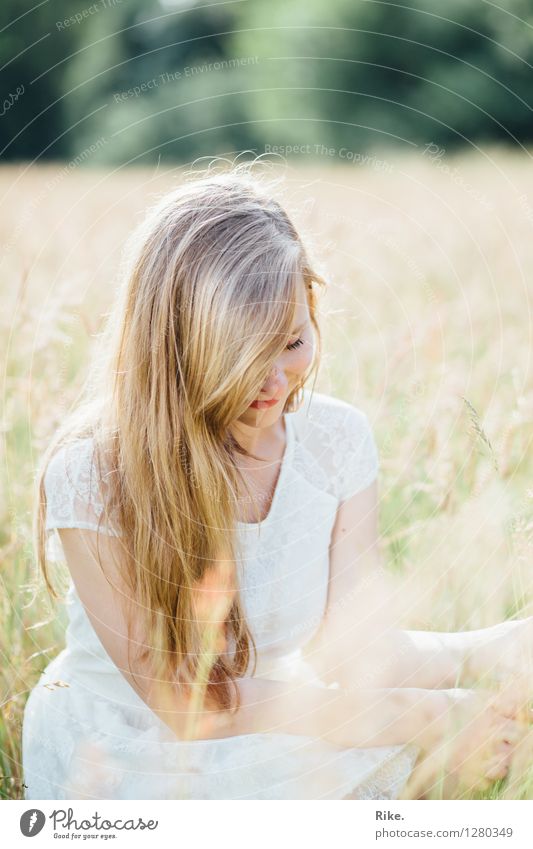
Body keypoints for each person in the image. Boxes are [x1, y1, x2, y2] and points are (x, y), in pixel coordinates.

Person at [22, 164, 532, 800]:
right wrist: (431, 715)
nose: (272, 382)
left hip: (280, 713)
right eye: (237, 354)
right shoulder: (96, 474)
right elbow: (186, 703)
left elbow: (358, 652)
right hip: (130, 750)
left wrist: (496, 650)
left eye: (290, 340)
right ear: (175, 344)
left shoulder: (335, 442)